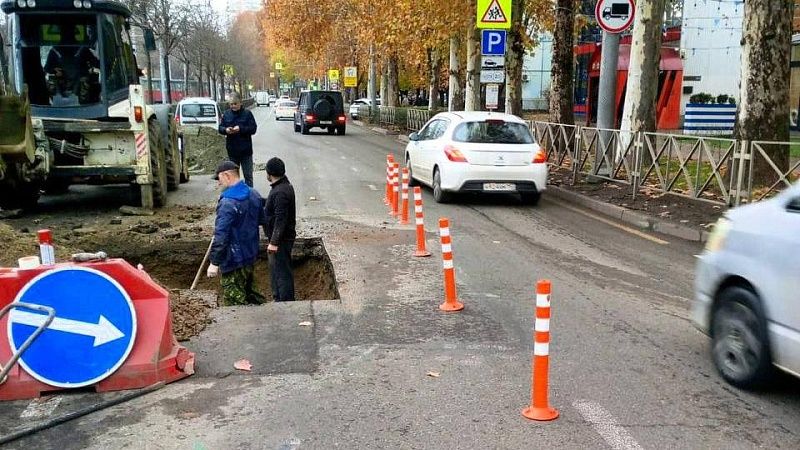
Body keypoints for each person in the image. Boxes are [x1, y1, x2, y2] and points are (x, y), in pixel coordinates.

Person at [207, 160, 266, 306]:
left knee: (235, 306)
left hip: (233, 260)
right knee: (251, 293)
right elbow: (262, 220)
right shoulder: (254, 194)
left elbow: (221, 236)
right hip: (250, 255)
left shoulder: (228, 203)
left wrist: (214, 262)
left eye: (219, 178)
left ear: (227, 175)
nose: (218, 183)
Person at [263, 157, 296, 302]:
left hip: (281, 241)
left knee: (282, 273)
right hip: (279, 239)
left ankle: (286, 302)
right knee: (277, 271)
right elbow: (274, 206)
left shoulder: (280, 192)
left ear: (269, 173)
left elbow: (280, 219)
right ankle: (278, 299)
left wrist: (274, 242)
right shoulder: (282, 187)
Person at [218, 93, 258, 187]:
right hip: (232, 151)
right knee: (233, 177)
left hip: (246, 151)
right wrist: (226, 130)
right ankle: (236, 197)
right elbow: (220, 128)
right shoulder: (226, 114)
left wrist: (241, 129)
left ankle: (248, 196)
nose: (233, 106)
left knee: (248, 176)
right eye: (231, 104)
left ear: (240, 103)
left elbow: (253, 129)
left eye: (235, 104)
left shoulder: (247, 114)